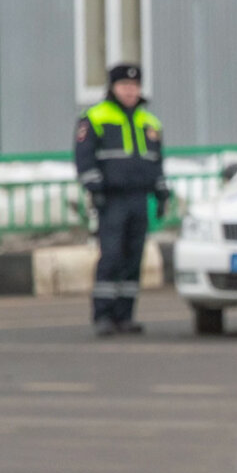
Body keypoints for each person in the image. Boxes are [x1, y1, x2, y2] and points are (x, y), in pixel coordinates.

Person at [74, 64, 169, 337]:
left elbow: (157, 163)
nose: (130, 91)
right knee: (111, 256)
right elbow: (84, 157)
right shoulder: (95, 117)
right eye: (125, 86)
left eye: (135, 86)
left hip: (139, 198)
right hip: (112, 199)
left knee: (133, 258)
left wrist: (161, 192)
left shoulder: (150, 122)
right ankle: (103, 315)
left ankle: (125, 315)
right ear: (113, 88)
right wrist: (95, 188)